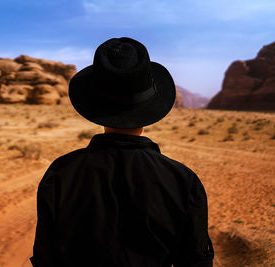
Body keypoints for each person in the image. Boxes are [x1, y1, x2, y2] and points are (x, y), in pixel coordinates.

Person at [30, 37, 214, 267]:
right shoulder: (183, 181)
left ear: (93, 103)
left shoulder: (60, 173)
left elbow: (45, 257)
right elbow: (196, 261)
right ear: (151, 103)